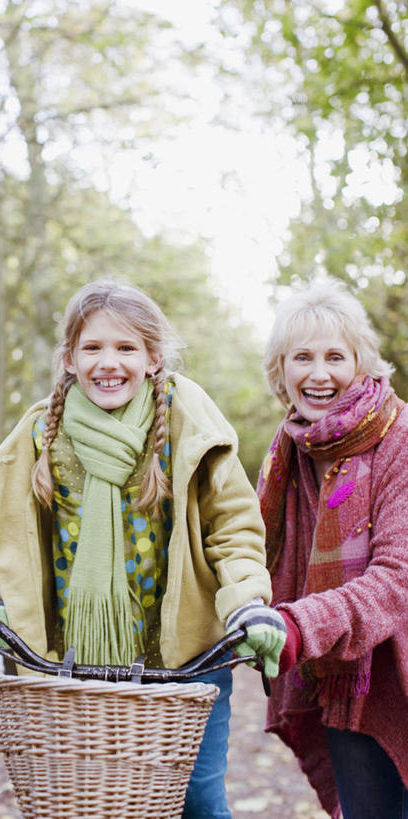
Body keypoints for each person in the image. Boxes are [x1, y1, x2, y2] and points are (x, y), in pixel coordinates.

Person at [0, 278, 286, 819]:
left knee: (199, 803)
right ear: (69, 358)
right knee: (88, 805)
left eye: (125, 347)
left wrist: (249, 601)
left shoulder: (186, 423)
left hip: (184, 665)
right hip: (73, 667)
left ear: (154, 358)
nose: (107, 362)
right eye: (92, 347)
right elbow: (16, 545)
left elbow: (232, 527)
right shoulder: (43, 433)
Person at [258, 278, 408, 819]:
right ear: (281, 370)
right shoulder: (287, 454)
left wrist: (299, 625)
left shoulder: (399, 436)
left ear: (361, 363)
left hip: (399, 672)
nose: (318, 374)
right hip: (342, 680)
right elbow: (255, 558)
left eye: (334, 357)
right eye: (302, 357)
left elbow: (398, 577)